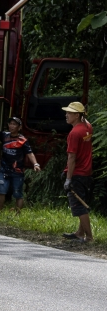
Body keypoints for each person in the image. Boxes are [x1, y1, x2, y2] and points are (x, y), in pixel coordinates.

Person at [0, 116, 40, 212]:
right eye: (10, 124)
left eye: (14, 124)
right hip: (4, 170)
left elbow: (30, 153)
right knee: (1, 191)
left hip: (17, 171)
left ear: (19, 127)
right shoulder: (4, 135)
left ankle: (18, 214)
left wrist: (35, 164)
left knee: (18, 193)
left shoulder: (23, 140)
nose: (12, 126)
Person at [62, 102, 94, 242]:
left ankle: (89, 237)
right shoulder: (88, 127)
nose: (66, 115)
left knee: (79, 206)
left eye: (69, 113)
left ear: (77, 115)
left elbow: (72, 157)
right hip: (87, 172)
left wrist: (68, 179)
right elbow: (86, 121)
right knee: (83, 202)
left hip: (77, 174)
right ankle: (79, 233)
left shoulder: (74, 133)